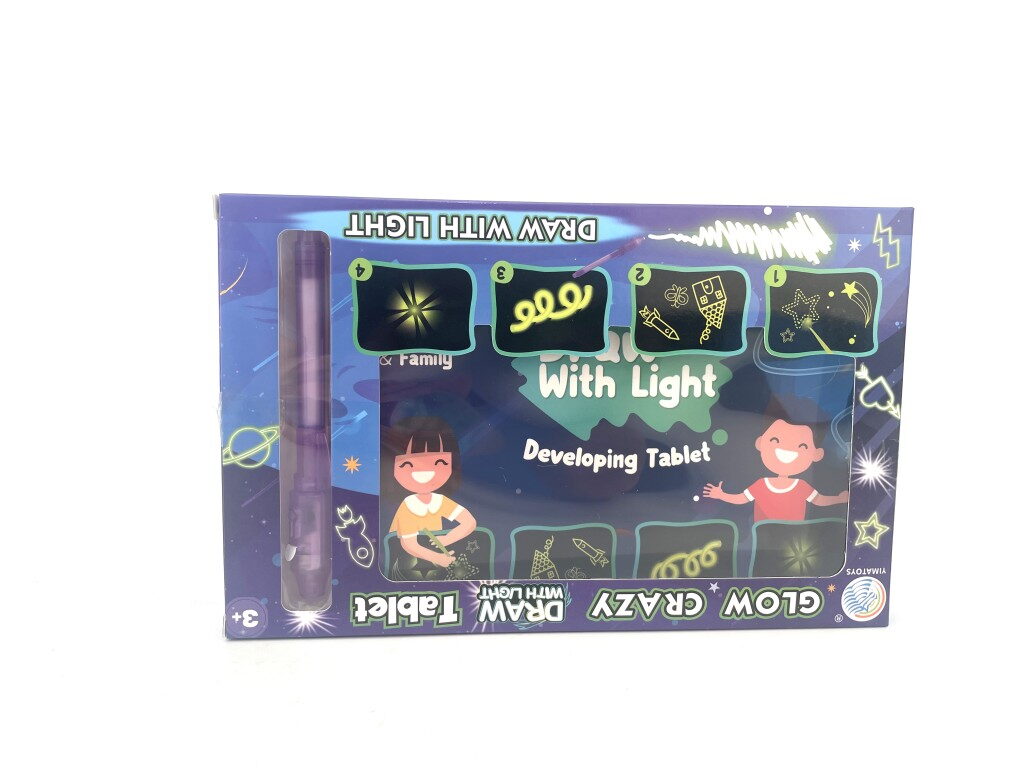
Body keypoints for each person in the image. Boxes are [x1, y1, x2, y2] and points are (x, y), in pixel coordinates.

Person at [703, 418, 848, 521]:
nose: (787, 450)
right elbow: (741, 499)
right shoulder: (761, 484)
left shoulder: (801, 487)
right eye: (775, 441)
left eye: (802, 446)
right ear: (761, 443)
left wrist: (840, 499)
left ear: (816, 454)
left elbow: (819, 500)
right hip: (764, 537)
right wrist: (721, 495)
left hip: (794, 540)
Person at [386, 417, 477, 567]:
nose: (424, 472)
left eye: (439, 463)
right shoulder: (409, 505)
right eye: (408, 464)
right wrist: (437, 558)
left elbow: (469, 522)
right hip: (406, 565)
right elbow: (409, 544)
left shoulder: (439, 501)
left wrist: (446, 539)